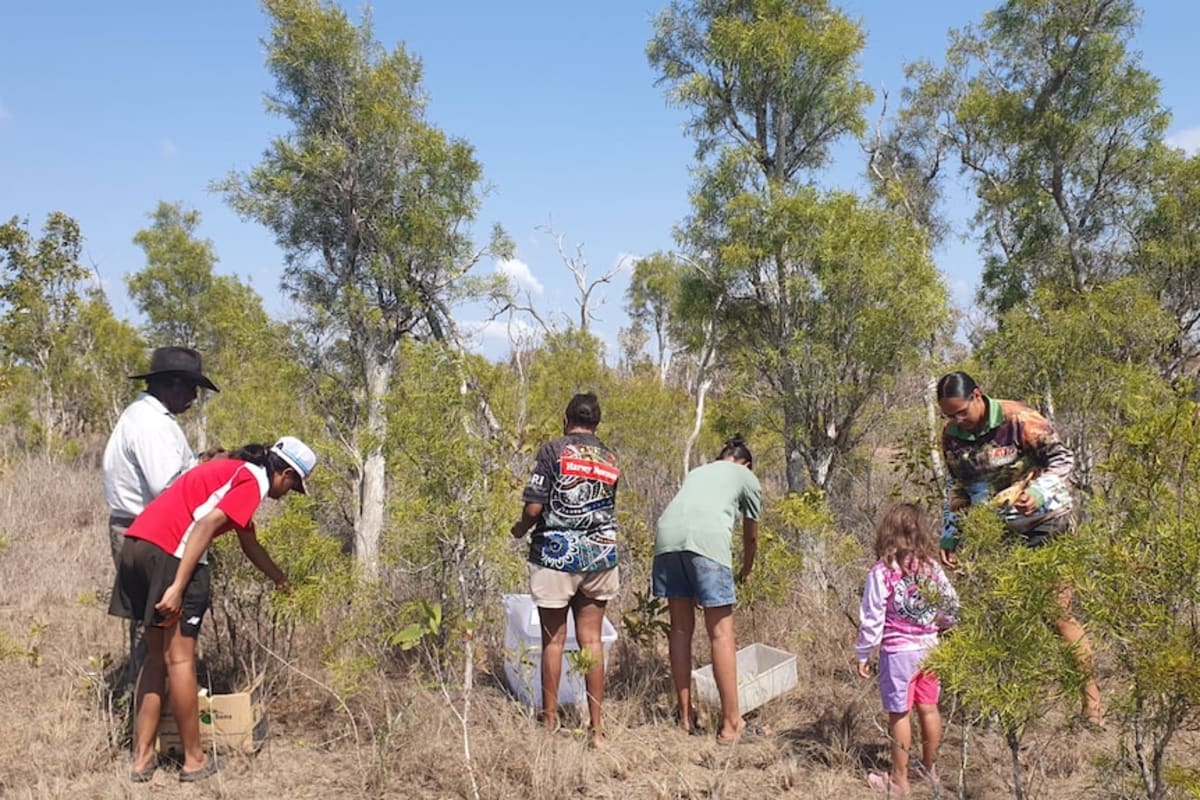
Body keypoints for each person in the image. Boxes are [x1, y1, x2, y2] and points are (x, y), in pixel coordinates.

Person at [109, 437, 316, 783]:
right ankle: (194, 760)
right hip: (169, 556)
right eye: (293, 486)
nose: (286, 494)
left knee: (156, 657)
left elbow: (249, 542)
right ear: (286, 475)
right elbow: (205, 525)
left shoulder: (230, 472)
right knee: (179, 660)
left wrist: (280, 580)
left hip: (136, 546)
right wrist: (177, 587)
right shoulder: (252, 481)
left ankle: (141, 759)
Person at [935, 371, 1102, 723]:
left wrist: (1038, 492)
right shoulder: (951, 436)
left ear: (978, 396)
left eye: (961, 412)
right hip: (998, 531)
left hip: (1046, 521)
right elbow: (956, 486)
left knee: (1056, 613)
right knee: (1005, 612)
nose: (955, 421)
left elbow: (1062, 459)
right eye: (948, 415)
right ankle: (1016, 707)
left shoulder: (1018, 419)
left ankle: (1092, 706)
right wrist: (951, 533)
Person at [103, 346, 219, 688]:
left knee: (151, 625)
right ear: (171, 384)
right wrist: (209, 474)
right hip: (150, 534)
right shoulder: (152, 424)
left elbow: (171, 473)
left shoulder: (146, 417)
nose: (194, 397)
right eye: (191, 388)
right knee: (155, 628)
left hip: (142, 529)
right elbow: (169, 488)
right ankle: (145, 714)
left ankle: (151, 710)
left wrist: (199, 461)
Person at [510, 393, 620, 747]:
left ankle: (549, 722)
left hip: (556, 557)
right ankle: (597, 729)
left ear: (565, 417)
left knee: (553, 641)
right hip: (599, 557)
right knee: (592, 641)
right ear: (597, 424)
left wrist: (519, 531)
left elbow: (533, 508)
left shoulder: (552, 451)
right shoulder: (610, 457)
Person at [652, 434, 762, 744]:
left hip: (667, 540)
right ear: (747, 464)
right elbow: (750, 536)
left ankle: (686, 717)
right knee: (721, 633)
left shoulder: (698, 472)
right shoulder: (747, 477)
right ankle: (731, 725)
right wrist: (746, 570)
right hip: (708, 543)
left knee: (681, 630)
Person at [856, 504, 958, 797]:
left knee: (899, 713)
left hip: (899, 652)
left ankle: (899, 781)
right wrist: (942, 624)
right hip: (930, 648)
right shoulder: (931, 567)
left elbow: (872, 617)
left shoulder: (882, 571)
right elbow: (951, 605)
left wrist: (864, 653)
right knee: (929, 708)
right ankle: (929, 769)